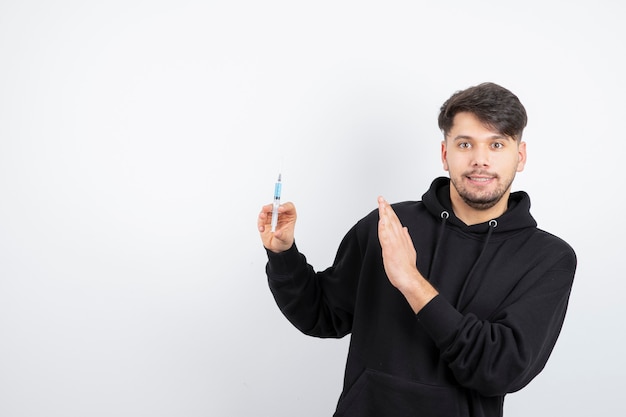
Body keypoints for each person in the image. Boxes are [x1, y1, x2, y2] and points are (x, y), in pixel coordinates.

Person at [257, 82, 576, 417]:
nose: (480, 160)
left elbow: (499, 369)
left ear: (520, 156)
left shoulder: (547, 259)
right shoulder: (389, 227)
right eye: (465, 144)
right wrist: (284, 255)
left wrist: (410, 281)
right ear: (445, 154)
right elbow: (321, 315)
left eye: (496, 144)